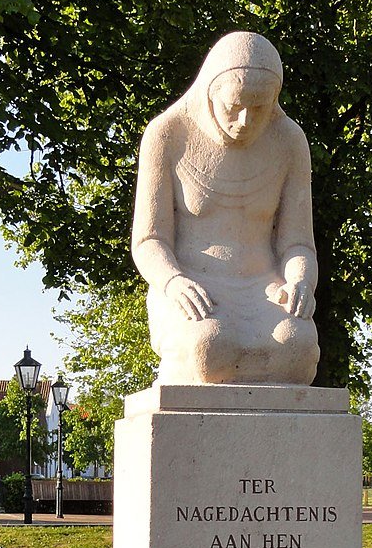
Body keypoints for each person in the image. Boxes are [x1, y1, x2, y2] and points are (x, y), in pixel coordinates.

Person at [132, 31, 320, 386]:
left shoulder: (290, 142)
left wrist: (300, 282)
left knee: (299, 351)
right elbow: (149, 240)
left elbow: (297, 243)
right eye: (234, 106)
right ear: (210, 92)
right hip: (196, 289)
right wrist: (172, 282)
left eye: (259, 107)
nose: (246, 120)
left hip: (264, 290)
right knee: (211, 349)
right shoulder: (167, 135)